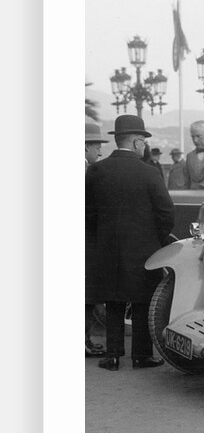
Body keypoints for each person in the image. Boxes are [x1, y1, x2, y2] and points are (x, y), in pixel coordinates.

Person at [85, 114, 175, 371]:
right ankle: (141, 356)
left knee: (113, 300)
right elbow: (166, 212)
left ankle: (112, 356)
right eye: (144, 141)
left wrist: (100, 236)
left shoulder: (96, 170)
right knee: (142, 301)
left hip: (107, 247)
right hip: (143, 249)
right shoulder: (149, 172)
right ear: (136, 142)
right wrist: (156, 239)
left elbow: (88, 212)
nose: (145, 145)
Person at [85, 118, 108, 357]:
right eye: (96, 145)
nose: (100, 150)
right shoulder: (87, 173)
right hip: (86, 241)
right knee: (87, 294)